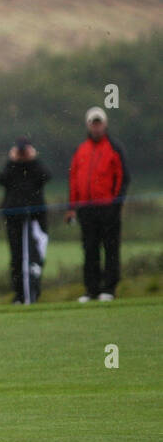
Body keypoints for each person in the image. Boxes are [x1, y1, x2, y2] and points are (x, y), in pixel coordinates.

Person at [64, 107, 129, 303]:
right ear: (88, 125)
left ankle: (108, 288)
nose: (96, 127)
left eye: (99, 123)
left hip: (108, 209)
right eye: (93, 123)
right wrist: (71, 208)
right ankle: (91, 290)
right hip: (86, 209)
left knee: (110, 248)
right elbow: (74, 180)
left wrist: (115, 205)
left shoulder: (114, 148)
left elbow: (123, 178)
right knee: (89, 250)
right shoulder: (81, 149)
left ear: (105, 124)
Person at [0, 136, 51, 304]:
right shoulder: (12, 167)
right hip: (14, 219)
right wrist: (12, 161)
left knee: (34, 258)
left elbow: (45, 177)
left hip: (34, 218)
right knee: (17, 257)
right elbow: (1, 179)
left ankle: (33, 292)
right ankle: (19, 294)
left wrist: (33, 160)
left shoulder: (35, 167)